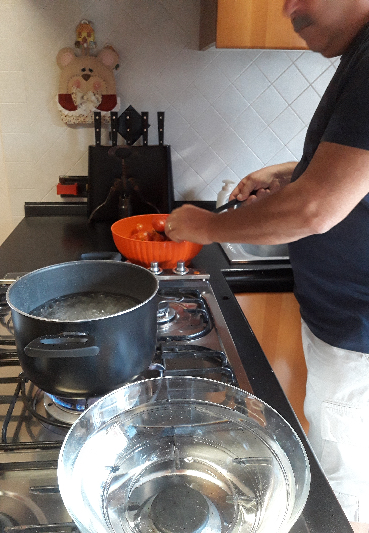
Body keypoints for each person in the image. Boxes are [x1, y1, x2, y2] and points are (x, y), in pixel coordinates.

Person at [165, 1, 369, 531]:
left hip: (360, 336)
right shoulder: (360, 55)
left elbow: (313, 209)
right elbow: (344, 172)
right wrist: (295, 173)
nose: (288, 7)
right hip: (348, 326)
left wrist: (205, 226)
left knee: (345, 485)